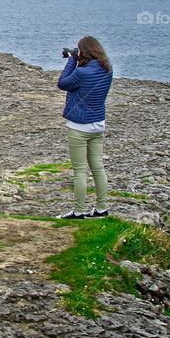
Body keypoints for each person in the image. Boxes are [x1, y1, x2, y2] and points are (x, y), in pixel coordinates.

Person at [56, 36, 114, 219]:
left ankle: (79, 211)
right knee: (98, 168)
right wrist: (78, 58)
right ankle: (101, 209)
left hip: (79, 127)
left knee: (79, 171)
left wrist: (73, 60)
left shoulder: (82, 73)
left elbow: (62, 83)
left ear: (84, 53)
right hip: (98, 124)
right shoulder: (107, 69)